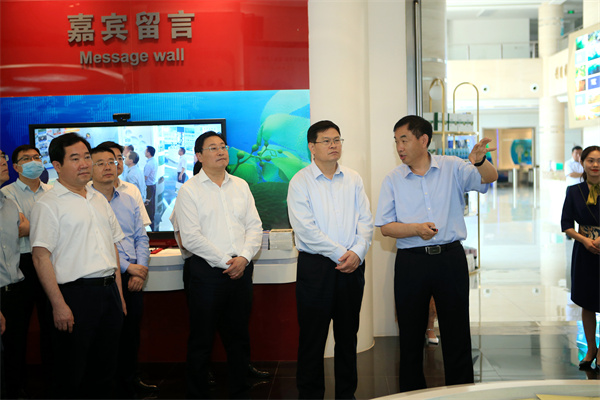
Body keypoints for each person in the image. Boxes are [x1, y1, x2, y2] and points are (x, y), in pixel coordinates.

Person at [375, 115, 498, 392]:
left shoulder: (452, 166)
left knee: (456, 332)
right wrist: (415, 229)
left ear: (423, 140)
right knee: (410, 334)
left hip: (449, 259)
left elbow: (488, 179)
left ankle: (461, 393)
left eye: (404, 140)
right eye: (396, 141)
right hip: (411, 262)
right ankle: (411, 395)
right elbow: (385, 227)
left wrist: (480, 161)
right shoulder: (393, 179)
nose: (399, 147)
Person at [29, 133, 127, 399]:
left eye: (86, 157)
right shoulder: (48, 204)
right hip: (75, 295)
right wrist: (58, 305)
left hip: (109, 293)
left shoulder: (98, 198)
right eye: (75, 158)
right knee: (73, 374)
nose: (84, 163)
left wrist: (118, 295)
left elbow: (112, 249)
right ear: (57, 166)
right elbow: (40, 258)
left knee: (105, 370)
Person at [287, 120, 374, 399]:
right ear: (312, 147)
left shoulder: (353, 178)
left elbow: (366, 221)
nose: (333, 145)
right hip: (316, 268)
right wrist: (342, 253)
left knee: (348, 337)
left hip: (352, 265)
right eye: (326, 141)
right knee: (313, 338)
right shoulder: (300, 182)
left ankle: (347, 394)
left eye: (337, 140)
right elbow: (306, 230)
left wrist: (357, 252)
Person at [174, 131, 263, 399]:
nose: (221, 151)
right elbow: (191, 238)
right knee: (202, 338)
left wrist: (243, 258)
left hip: (241, 269)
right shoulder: (189, 190)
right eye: (213, 148)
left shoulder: (241, 185)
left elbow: (254, 226)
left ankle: (240, 390)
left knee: (239, 336)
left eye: (223, 146)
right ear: (199, 156)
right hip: (207, 273)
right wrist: (228, 262)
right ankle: (197, 393)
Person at [90, 145, 155, 397]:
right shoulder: (86, 202)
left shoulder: (128, 199)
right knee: (107, 337)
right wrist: (130, 267)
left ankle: (130, 382)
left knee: (131, 333)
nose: (109, 167)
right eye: (101, 163)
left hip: (134, 275)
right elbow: (98, 244)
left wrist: (140, 269)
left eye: (113, 161)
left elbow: (141, 237)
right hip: (105, 276)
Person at [1, 144, 52, 397]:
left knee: (53, 326)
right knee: (16, 332)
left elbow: (30, 227)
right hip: (20, 264)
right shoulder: (6, 194)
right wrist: (48, 227)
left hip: (51, 263)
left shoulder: (53, 191)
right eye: (26, 159)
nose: (34, 161)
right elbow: (18, 229)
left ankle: (53, 384)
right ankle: (17, 387)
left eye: (37, 157)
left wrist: (34, 226)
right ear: (16, 167)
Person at [561, 145, 600, 370]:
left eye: (599, 161)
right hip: (584, 251)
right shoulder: (574, 191)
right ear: (582, 163)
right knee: (587, 301)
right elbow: (566, 223)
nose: (595, 165)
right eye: (591, 160)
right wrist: (584, 240)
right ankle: (591, 349)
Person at [0, 148, 27, 399]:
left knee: (15, 353)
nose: (2, 161)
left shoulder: (9, 204)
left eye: (2, 156)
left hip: (15, 290)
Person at [97, 141, 151, 227]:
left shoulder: (131, 189)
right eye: (111, 159)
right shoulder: (88, 191)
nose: (117, 162)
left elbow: (141, 226)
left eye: (120, 158)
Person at [144, 146, 158, 231]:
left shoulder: (149, 164)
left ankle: (149, 221)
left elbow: (145, 177)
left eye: (146, 151)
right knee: (152, 203)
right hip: (152, 185)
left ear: (149, 153)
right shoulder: (153, 161)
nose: (144, 152)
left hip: (149, 186)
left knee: (148, 204)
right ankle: (151, 219)